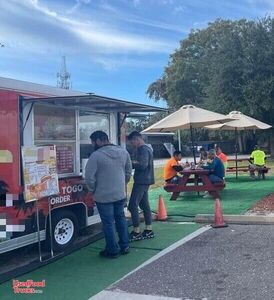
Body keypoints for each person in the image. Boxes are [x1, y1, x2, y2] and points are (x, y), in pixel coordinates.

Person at [85, 131, 132, 258]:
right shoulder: (123, 152)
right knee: (121, 219)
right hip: (120, 194)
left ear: (99, 140)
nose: (92, 144)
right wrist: (122, 184)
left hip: (103, 196)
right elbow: (128, 172)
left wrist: (93, 189)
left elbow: (89, 178)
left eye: (93, 142)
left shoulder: (96, 155)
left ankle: (112, 250)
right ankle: (125, 246)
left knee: (108, 223)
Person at [127, 131, 155, 242]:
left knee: (132, 206)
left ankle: (136, 231)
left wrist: (129, 162)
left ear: (137, 139)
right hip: (146, 180)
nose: (132, 144)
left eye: (132, 141)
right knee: (144, 205)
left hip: (141, 181)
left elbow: (142, 165)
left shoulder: (142, 149)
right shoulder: (148, 148)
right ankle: (149, 229)